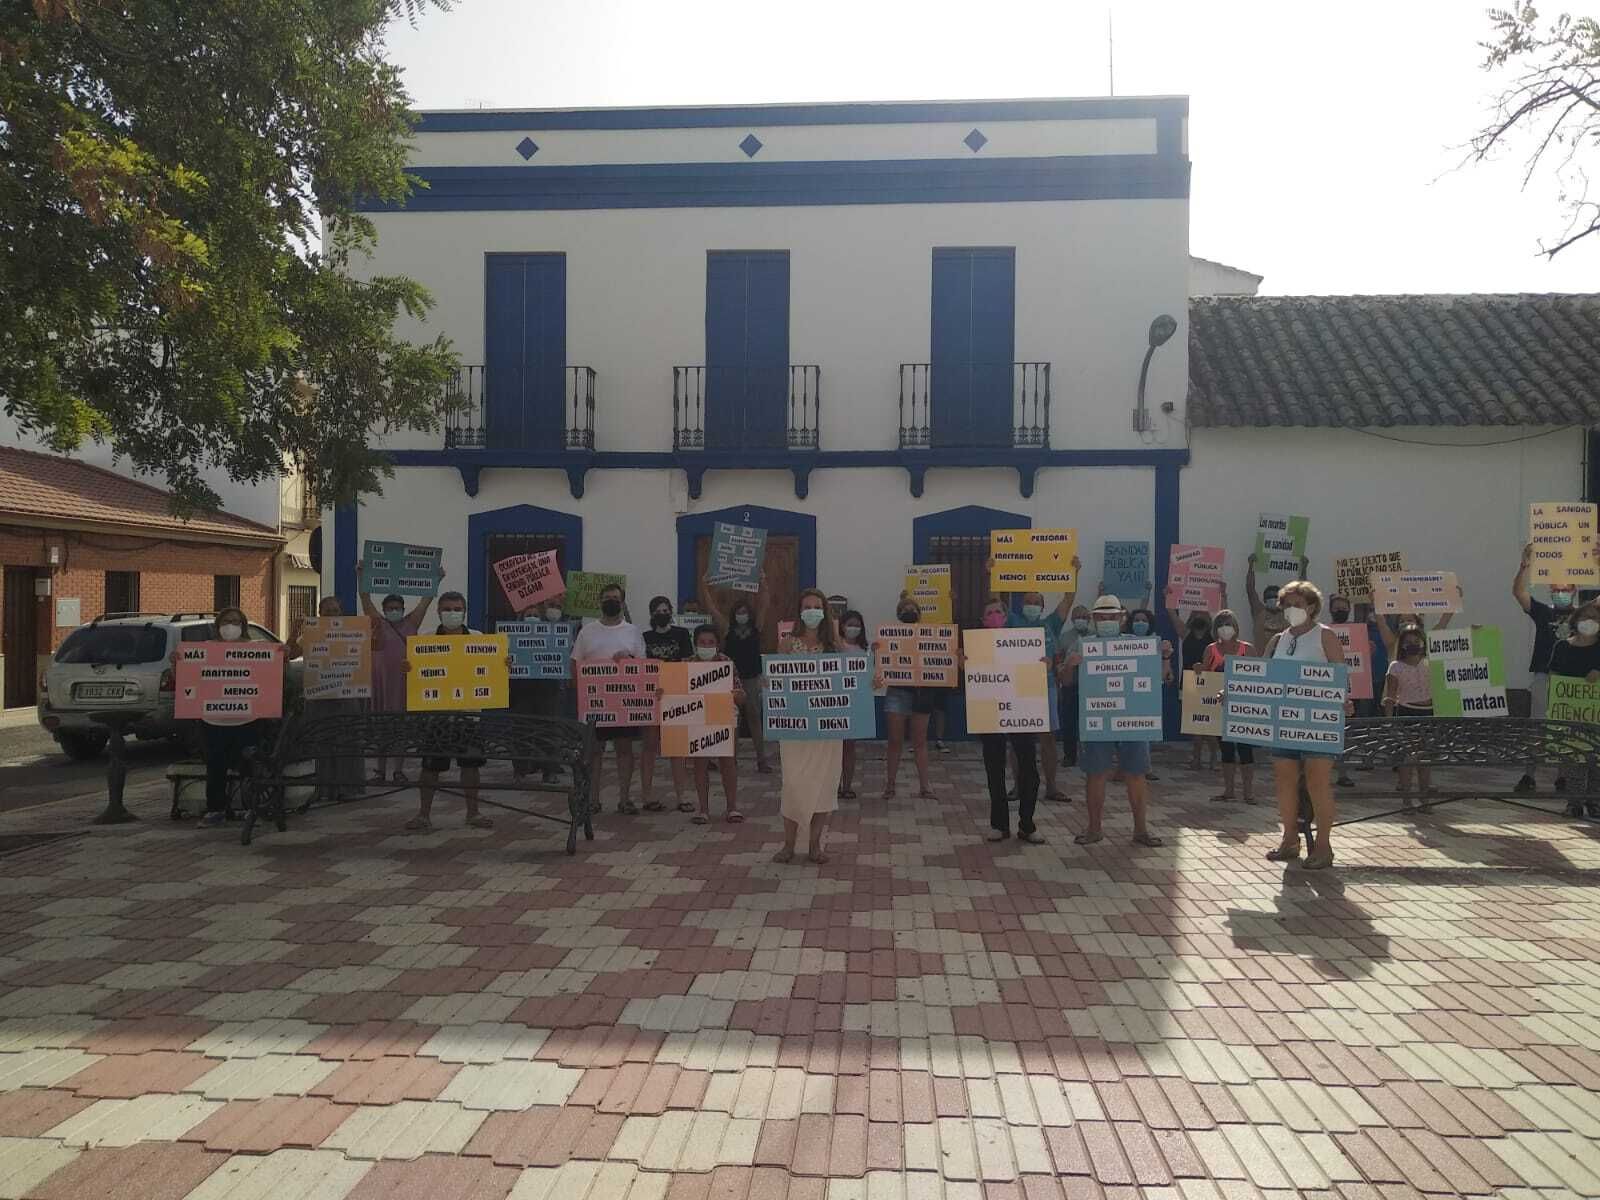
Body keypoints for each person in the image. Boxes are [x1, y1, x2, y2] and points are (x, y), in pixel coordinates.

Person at [1062, 594, 1170, 848]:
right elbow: (1066, 682)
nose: (1107, 621)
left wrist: (1165, 656)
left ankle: (1141, 830)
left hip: (1132, 719)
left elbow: (1163, 678)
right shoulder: (1082, 645)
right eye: (1102, 617)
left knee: (1136, 774)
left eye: (1112, 616)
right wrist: (1069, 666)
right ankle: (1094, 829)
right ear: (1094, 620)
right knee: (1095, 774)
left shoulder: (1139, 645)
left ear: (1122, 619)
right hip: (1098, 719)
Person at [402, 591, 511, 833]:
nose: (452, 613)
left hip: (469, 714)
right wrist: (408, 668)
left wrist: (504, 665)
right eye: (448, 609)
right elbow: (417, 676)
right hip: (437, 716)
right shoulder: (426, 640)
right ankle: (423, 814)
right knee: (430, 767)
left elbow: (492, 670)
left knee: (471, 766)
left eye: (457, 608)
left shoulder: (478, 638)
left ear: (464, 611)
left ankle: (473, 813)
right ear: (439, 612)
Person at [1262, 580, 1350, 870]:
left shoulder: (1325, 636)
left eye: (1297, 605)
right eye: (1286, 605)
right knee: (1285, 782)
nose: (1291, 610)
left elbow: (1341, 677)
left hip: (1318, 723)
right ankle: (1289, 840)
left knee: (1316, 782)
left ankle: (1323, 846)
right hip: (1283, 722)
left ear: (1312, 607)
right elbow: (1261, 677)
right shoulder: (1278, 639)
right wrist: (1233, 693)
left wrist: (1342, 701)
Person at [775, 587, 862, 864]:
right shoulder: (787, 644)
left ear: (824, 611)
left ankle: (814, 846)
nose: (811, 611)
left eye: (817, 606)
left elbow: (853, 682)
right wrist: (768, 683)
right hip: (794, 729)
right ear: (800, 612)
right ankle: (788, 845)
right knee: (792, 784)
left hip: (827, 729)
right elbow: (776, 680)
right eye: (806, 606)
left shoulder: (836, 647)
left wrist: (874, 678)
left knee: (824, 785)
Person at [1511, 539, 1600, 792]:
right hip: (1545, 674)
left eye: (1567, 586)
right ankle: (1530, 774)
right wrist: (1525, 566)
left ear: (1574, 589)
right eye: (1558, 586)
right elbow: (1519, 593)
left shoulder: (1586, 613)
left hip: (1576, 681)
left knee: (1570, 728)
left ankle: (1564, 775)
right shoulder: (1543, 612)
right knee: (1538, 726)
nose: (1562, 589)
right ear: (1551, 588)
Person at [997, 557, 1084, 802]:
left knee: (1048, 739)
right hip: (1016, 689)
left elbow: (1068, 600)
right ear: (1021, 603)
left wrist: (1073, 572)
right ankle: (1017, 786)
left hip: (1045, 689)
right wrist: (991, 573)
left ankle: (1052, 787)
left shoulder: (1051, 624)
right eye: (1028, 601)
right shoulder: (1012, 621)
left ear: (1043, 606)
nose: (1032, 605)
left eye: (1037, 602)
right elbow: (995, 602)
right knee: (1016, 740)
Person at [571, 581, 647, 814]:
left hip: (623, 703)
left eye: (615, 598)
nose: (610, 602)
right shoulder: (587, 631)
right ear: (599, 602)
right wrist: (580, 695)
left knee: (625, 750)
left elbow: (642, 666)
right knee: (594, 752)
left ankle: (624, 799)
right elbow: (575, 663)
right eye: (606, 598)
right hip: (595, 702)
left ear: (622, 602)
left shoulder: (632, 632)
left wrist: (629, 658)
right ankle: (593, 800)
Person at [194, 606, 273, 827]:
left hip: (246, 720)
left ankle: (250, 808)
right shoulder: (206, 649)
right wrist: (177, 660)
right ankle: (215, 810)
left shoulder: (255, 649)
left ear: (244, 626)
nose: (231, 626)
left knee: (248, 766)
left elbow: (272, 669)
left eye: (236, 622)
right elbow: (190, 675)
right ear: (218, 625)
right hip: (214, 720)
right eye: (227, 621)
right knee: (215, 765)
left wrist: (282, 655)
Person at [357, 565, 436, 784]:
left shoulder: (411, 623)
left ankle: (398, 770)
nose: (394, 610)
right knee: (381, 729)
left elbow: (425, 600)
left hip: (403, 685)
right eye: (390, 607)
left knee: (401, 729)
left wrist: (436, 577)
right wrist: (361, 575)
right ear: (384, 609)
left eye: (397, 607)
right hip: (381, 684)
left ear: (403, 608)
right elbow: (365, 599)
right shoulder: (377, 623)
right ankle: (380, 772)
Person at [976, 596, 1045, 844]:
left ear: (1005, 617)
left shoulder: (1023, 642)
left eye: (998, 612)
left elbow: (1035, 670)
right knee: (994, 770)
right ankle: (999, 825)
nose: (994, 616)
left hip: (1021, 711)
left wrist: (1043, 665)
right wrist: (964, 664)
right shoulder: (976, 644)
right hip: (990, 712)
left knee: (1029, 770)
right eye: (989, 613)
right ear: (983, 620)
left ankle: (1027, 824)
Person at [285, 596, 367, 804]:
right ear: (320, 613)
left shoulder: (352, 630)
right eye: (327, 611)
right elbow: (290, 654)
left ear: (341, 612)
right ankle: (325, 789)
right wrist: (295, 631)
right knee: (322, 742)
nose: (331, 614)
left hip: (347, 694)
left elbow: (373, 647)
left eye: (335, 610)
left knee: (347, 741)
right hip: (319, 694)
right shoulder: (312, 633)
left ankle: (349, 788)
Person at [700, 579, 772, 773]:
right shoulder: (726, 628)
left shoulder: (757, 627)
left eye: (745, 612)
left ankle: (761, 759)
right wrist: (706, 587)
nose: (742, 615)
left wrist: (763, 582)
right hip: (730, 679)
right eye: (739, 612)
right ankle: (731, 760)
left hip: (751, 678)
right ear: (734, 614)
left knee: (754, 718)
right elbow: (712, 608)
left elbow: (765, 602)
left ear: (750, 614)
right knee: (731, 721)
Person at [680, 623, 747, 824]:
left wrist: (738, 695)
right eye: (702, 642)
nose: (706, 646)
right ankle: (703, 809)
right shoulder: (686, 664)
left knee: (728, 762)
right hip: (697, 718)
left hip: (724, 717)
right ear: (695, 644)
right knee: (699, 763)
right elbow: (675, 694)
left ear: (718, 645)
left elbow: (741, 696)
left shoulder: (727, 663)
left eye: (711, 642)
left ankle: (732, 808)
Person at [508, 590, 574, 784]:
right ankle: (520, 770)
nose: (532, 618)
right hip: (521, 690)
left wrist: (559, 601)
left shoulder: (552, 633)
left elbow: (565, 632)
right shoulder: (510, 637)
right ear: (521, 618)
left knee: (549, 730)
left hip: (548, 689)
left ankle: (549, 770)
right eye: (528, 615)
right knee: (521, 730)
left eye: (536, 615)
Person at [638, 595, 694, 815]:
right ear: (652, 614)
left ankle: (682, 796)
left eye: (665, 610)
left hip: (676, 696)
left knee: (677, 749)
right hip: (652, 697)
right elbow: (640, 667)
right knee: (649, 747)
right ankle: (647, 795)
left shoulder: (681, 634)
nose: (662, 614)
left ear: (671, 611)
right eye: (658, 611)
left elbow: (687, 663)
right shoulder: (644, 637)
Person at [881, 594, 939, 800]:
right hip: (897, 691)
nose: (909, 612)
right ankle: (890, 784)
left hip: (922, 693)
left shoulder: (930, 636)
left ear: (919, 614)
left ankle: (925, 785)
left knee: (920, 742)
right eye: (905, 609)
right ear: (898, 614)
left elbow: (940, 659)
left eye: (912, 609)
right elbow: (883, 663)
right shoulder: (890, 637)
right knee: (895, 740)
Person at [1547, 597, 1600, 818]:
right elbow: (1554, 676)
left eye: (1596, 619)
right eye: (1587, 617)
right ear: (1576, 620)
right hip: (1569, 713)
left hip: (1595, 714)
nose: (1591, 621)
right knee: (1573, 759)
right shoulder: (1562, 647)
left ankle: (1595, 801)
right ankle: (1574, 802)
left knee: (1596, 761)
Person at [1202, 609, 1255, 803]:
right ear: (1216, 628)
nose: (1226, 628)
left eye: (1229, 624)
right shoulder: (1211, 650)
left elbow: (1258, 678)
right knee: (1225, 749)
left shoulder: (1247, 649)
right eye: (1222, 624)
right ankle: (1229, 790)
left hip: (1244, 708)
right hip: (1220, 707)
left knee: (1245, 749)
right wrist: (1199, 670)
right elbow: (1204, 679)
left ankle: (1248, 792)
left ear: (1236, 627)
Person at [1168, 592, 1223, 772]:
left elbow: (1224, 617)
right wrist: (1169, 595)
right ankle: (1197, 758)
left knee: (1209, 726)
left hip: (1210, 682)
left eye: (1203, 612)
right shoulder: (1185, 633)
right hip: (1190, 682)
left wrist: (1222, 594)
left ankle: (1214, 758)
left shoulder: (1215, 637)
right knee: (1194, 724)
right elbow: (1171, 612)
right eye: (1196, 612)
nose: (1200, 615)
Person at [837, 608, 869, 799]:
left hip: (855, 703)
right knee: (833, 748)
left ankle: (847, 786)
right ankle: (832, 785)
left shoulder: (865, 650)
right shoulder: (835, 646)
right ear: (842, 626)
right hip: (834, 703)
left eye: (857, 625)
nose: (853, 628)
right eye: (850, 624)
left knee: (849, 746)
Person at [1055, 603, 1091, 768]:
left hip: (1091, 688)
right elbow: (1059, 662)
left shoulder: (1095, 635)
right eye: (1078, 617)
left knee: (1090, 724)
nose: (1081, 620)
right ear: (1072, 619)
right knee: (1069, 723)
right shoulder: (1064, 637)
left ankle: (1090, 756)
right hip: (1070, 686)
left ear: (1089, 619)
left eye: (1084, 617)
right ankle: (1069, 756)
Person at [1245, 552, 1308, 648]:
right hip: (1262, 659)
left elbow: (1301, 593)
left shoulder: (1288, 613)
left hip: (1283, 659)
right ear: (1264, 599)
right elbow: (1250, 589)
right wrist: (1251, 565)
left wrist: (1304, 568)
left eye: (1275, 596)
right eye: (1269, 596)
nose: (1272, 598)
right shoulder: (1259, 611)